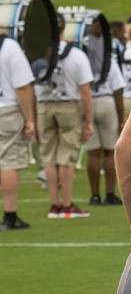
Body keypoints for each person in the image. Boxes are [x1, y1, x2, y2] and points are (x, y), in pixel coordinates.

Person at [34, 20, 94, 219]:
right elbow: (86, 92)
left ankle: (54, 205)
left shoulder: (36, 52)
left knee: (49, 158)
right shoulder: (76, 55)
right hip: (69, 104)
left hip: (43, 105)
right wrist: (88, 121)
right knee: (67, 157)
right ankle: (66, 204)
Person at [0, 32, 35, 230]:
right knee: (9, 162)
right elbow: (23, 86)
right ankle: (10, 214)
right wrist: (29, 119)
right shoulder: (9, 47)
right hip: (7, 109)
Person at [85, 39, 126, 206]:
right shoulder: (110, 61)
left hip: (88, 102)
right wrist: (121, 117)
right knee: (110, 152)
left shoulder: (84, 58)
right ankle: (110, 194)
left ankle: (94, 195)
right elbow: (118, 90)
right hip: (106, 101)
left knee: (92, 153)